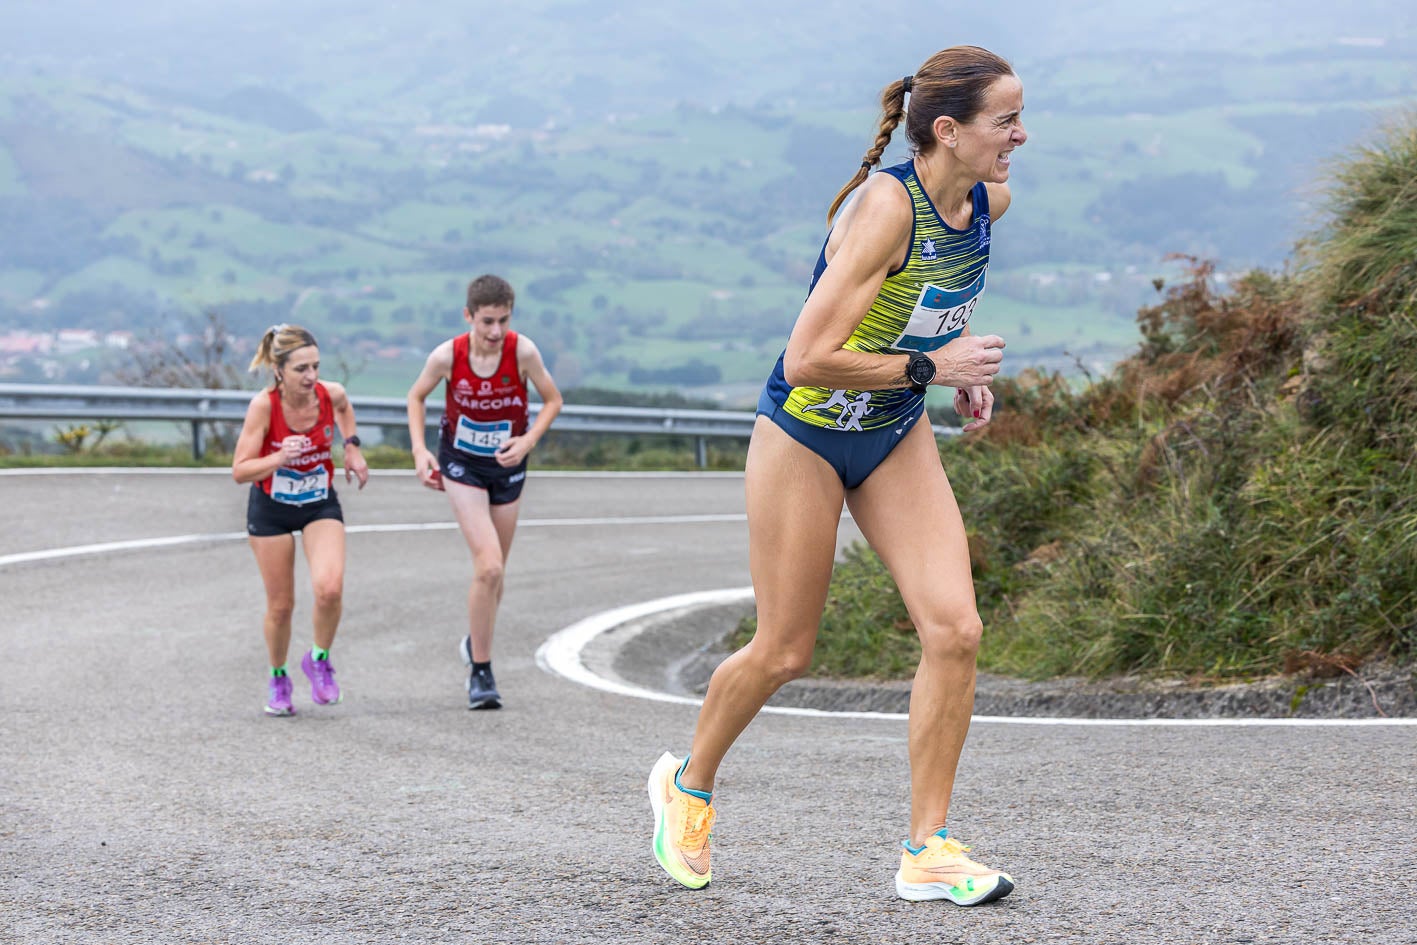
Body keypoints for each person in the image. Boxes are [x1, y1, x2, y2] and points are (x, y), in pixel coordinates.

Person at [648, 45, 1025, 905]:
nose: (1019, 135)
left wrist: (960, 370)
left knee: (955, 629)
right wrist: (934, 369)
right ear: (946, 129)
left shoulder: (987, 199)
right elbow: (809, 356)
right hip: (806, 435)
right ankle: (688, 783)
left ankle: (926, 847)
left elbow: (929, 315)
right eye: (1003, 120)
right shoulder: (885, 210)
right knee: (785, 647)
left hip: (891, 434)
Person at [406, 274, 563, 709]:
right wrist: (420, 452)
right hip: (461, 464)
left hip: (508, 465)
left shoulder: (522, 352)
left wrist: (528, 440)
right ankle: (481, 672)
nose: (496, 332)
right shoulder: (447, 356)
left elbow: (553, 399)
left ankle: (475, 639)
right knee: (489, 567)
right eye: (487, 322)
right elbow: (416, 397)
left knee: (496, 577)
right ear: (469, 316)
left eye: (504, 321)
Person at [231, 323, 369, 716]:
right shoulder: (265, 406)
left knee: (329, 589)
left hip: (317, 502)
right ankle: (279, 677)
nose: (311, 377)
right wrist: (278, 458)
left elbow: (344, 410)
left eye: (315, 367)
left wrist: (353, 449)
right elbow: (240, 471)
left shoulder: (330, 394)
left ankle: (319, 659)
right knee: (281, 606)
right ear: (279, 371)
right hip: (271, 507)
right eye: (301, 369)